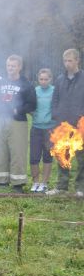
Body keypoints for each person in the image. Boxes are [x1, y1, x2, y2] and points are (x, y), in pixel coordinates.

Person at [0, 55, 36, 192]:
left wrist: (18, 109)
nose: (10, 68)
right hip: (1, 120)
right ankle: (1, 181)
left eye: (13, 66)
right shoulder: (1, 83)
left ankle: (18, 183)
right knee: (0, 150)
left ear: (19, 67)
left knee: (18, 152)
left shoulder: (26, 84)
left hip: (17, 122)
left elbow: (32, 104)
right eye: (8, 66)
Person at [48, 48, 84, 197]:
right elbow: (55, 99)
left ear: (77, 61)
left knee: (82, 159)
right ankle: (61, 186)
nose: (67, 64)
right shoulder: (60, 79)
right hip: (62, 125)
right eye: (65, 61)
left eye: (70, 60)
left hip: (80, 125)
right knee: (63, 155)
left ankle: (80, 188)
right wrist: (56, 114)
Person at [29, 68, 55, 193]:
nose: (43, 81)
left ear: (50, 79)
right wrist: (33, 114)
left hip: (50, 129)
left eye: (46, 79)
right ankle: (35, 182)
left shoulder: (55, 91)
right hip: (36, 128)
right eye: (41, 79)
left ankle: (44, 183)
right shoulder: (35, 91)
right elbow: (29, 105)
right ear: (38, 79)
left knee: (47, 157)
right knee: (34, 157)